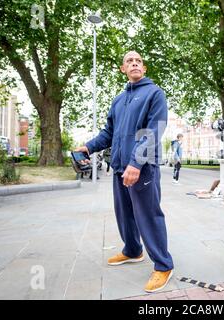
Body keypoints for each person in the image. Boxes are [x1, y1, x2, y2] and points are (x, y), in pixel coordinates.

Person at [74, 51, 174, 293]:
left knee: (148, 216)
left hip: (143, 168)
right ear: (123, 69)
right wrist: (87, 147)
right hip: (120, 167)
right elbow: (108, 134)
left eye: (138, 61)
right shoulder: (118, 100)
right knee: (124, 214)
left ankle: (163, 265)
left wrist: (136, 164)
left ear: (144, 68)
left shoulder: (154, 93)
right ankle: (132, 250)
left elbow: (153, 131)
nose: (134, 63)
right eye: (129, 61)